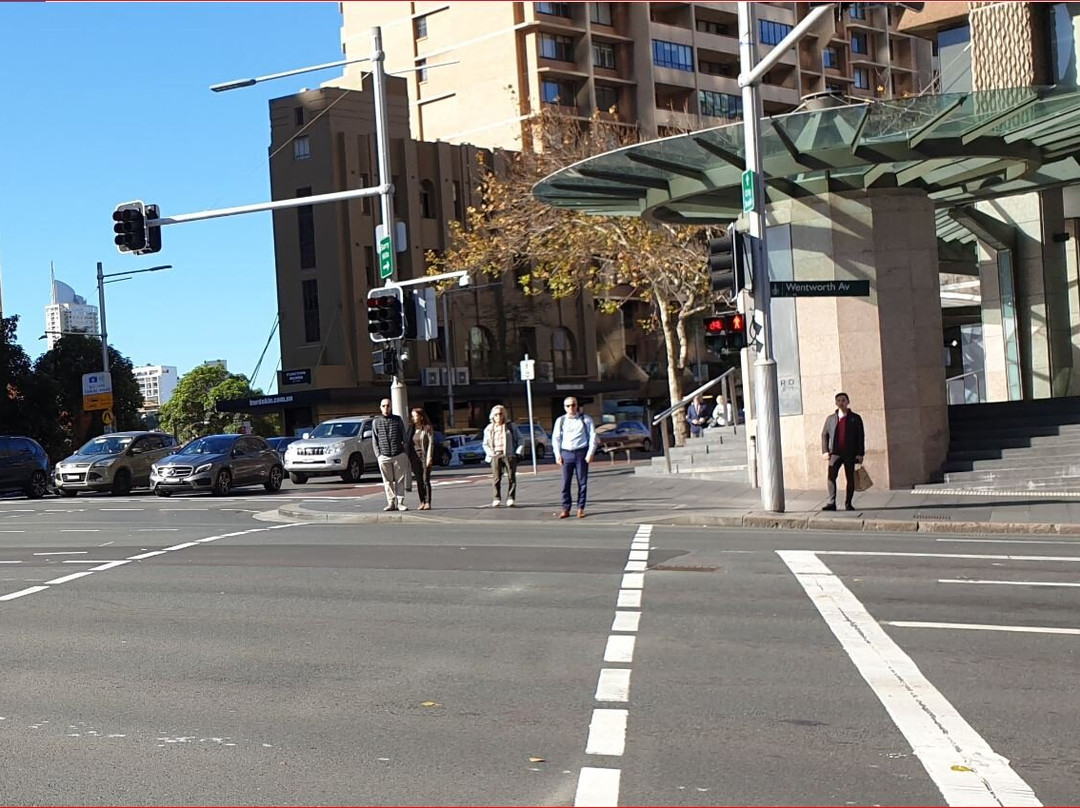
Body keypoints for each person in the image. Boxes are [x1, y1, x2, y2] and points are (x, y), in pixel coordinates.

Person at [552, 396, 599, 519]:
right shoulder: (560, 421)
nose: (571, 408)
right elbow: (556, 438)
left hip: (581, 453)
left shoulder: (586, 419)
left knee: (582, 482)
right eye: (568, 406)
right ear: (564, 407)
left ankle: (580, 508)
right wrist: (557, 455)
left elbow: (593, 437)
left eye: (573, 405)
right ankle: (565, 508)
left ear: (577, 405)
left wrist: (590, 453)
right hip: (566, 453)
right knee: (565, 483)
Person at [821, 392, 865, 512]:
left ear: (848, 402)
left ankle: (848, 503)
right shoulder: (830, 419)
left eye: (843, 400)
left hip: (850, 453)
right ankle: (831, 502)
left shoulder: (855, 418)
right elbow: (824, 434)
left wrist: (860, 453)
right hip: (835, 453)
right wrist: (825, 451)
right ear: (836, 403)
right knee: (831, 477)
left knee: (850, 478)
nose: (841, 402)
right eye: (839, 400)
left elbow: (860, 436)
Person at [371, 398, 408, 512]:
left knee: (400, 480)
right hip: (384, 455)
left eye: (388, 406)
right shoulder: (376, 422)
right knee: (387, 481)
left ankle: (400, 502)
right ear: (380, 407)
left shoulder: (397, 420)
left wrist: (404, 452)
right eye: (383, 406)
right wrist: (378, 455)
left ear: (391, 406)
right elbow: (374, 440)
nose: (386, 408)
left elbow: (404, 437)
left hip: (398, 454)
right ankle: (391, 502)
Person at [483, 404, 523, 507]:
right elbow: (485, 444)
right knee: (496, 478)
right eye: (496, 415)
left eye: (501, 414)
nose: (498, 417)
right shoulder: (489, 428)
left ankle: (511, 497)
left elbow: (520, 439)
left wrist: (518, 452)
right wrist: (490, 453)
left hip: (509, 455)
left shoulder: (510, 426)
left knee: (511, 477)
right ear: (493, 416)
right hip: (495, 455)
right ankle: (496, 498)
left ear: (504, 415)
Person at [405, 407, 435, 510]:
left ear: (421, 417)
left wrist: (429, 457)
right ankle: (421, 501)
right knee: (418, 480)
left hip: (424, 456)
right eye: (412, 416)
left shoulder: (427, 428)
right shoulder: (411, 429)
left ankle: (428, 502)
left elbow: (431, 443)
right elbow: (408, 442)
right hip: (414, 458)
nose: (413, 418)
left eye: (415, 416)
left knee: (425, 479)